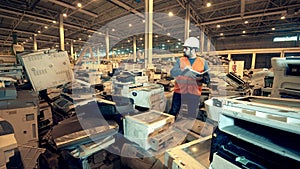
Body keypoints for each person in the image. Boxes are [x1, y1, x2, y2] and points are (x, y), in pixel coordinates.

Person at [169, 37, 210, 119]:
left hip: (194, 93)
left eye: (186, 48)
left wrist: (201, 78)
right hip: (179, 92)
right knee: (173, 112)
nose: (184, 50)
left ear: (193, 49)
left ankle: (189, 130)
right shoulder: (180, 60)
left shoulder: (203, 62)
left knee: (192, 114)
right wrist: (183, 71)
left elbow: (208, 79)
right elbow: (172, 72)